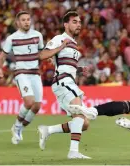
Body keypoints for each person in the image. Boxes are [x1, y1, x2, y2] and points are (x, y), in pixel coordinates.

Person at [37, 11, 97, 159]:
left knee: (84, 123)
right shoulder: (60, 39)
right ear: (66, 24)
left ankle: (48, 130)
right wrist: (60, 47)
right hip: (62, 81)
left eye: (79, 22)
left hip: (69, 80)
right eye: (75, 22)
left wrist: (79, 70)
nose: (78, 24)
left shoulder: (75, 44)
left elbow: (65, 65)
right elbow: (42, 55)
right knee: (78, 111)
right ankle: (73, 152)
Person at [0, 11, 44, 145]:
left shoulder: (38, 35)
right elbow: (2, 57)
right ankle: (16, 126)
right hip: (21, 73)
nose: (27, 22)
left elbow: (42, 53)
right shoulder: (12, 38)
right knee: (29, 102)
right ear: (18, 23)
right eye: (23, 20)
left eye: (28, 19)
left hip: (35, 73)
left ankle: (20, 128)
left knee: (37, 106)